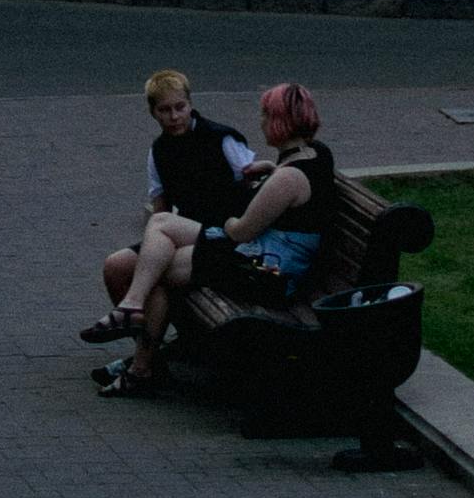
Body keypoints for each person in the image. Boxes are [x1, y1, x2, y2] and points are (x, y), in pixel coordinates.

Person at [95, 80, 376, 394]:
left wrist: (230, 218)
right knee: (161, 224)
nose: (261, 122)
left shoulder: (287, 177)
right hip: (266, 258)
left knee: (157, 269)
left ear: (280, 121)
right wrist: (269, 172)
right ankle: (135, 322)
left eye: (265, 115)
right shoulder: (314, 153)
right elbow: (294, 195)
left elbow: (242, 230)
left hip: (269, 273)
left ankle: (142, 365)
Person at [81, 67, 250, 343]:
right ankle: (143, 340)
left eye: (180, 107)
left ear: (190, 104)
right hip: (183, 232)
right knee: (115, 266)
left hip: (223, 232)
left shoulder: (222, 138)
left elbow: (254, 189)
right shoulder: (159, 150)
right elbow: (160, 207)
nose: (174, 116)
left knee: (153, 272)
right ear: (153, 112)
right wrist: (155, 248)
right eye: (164, 110)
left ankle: (142, 351)